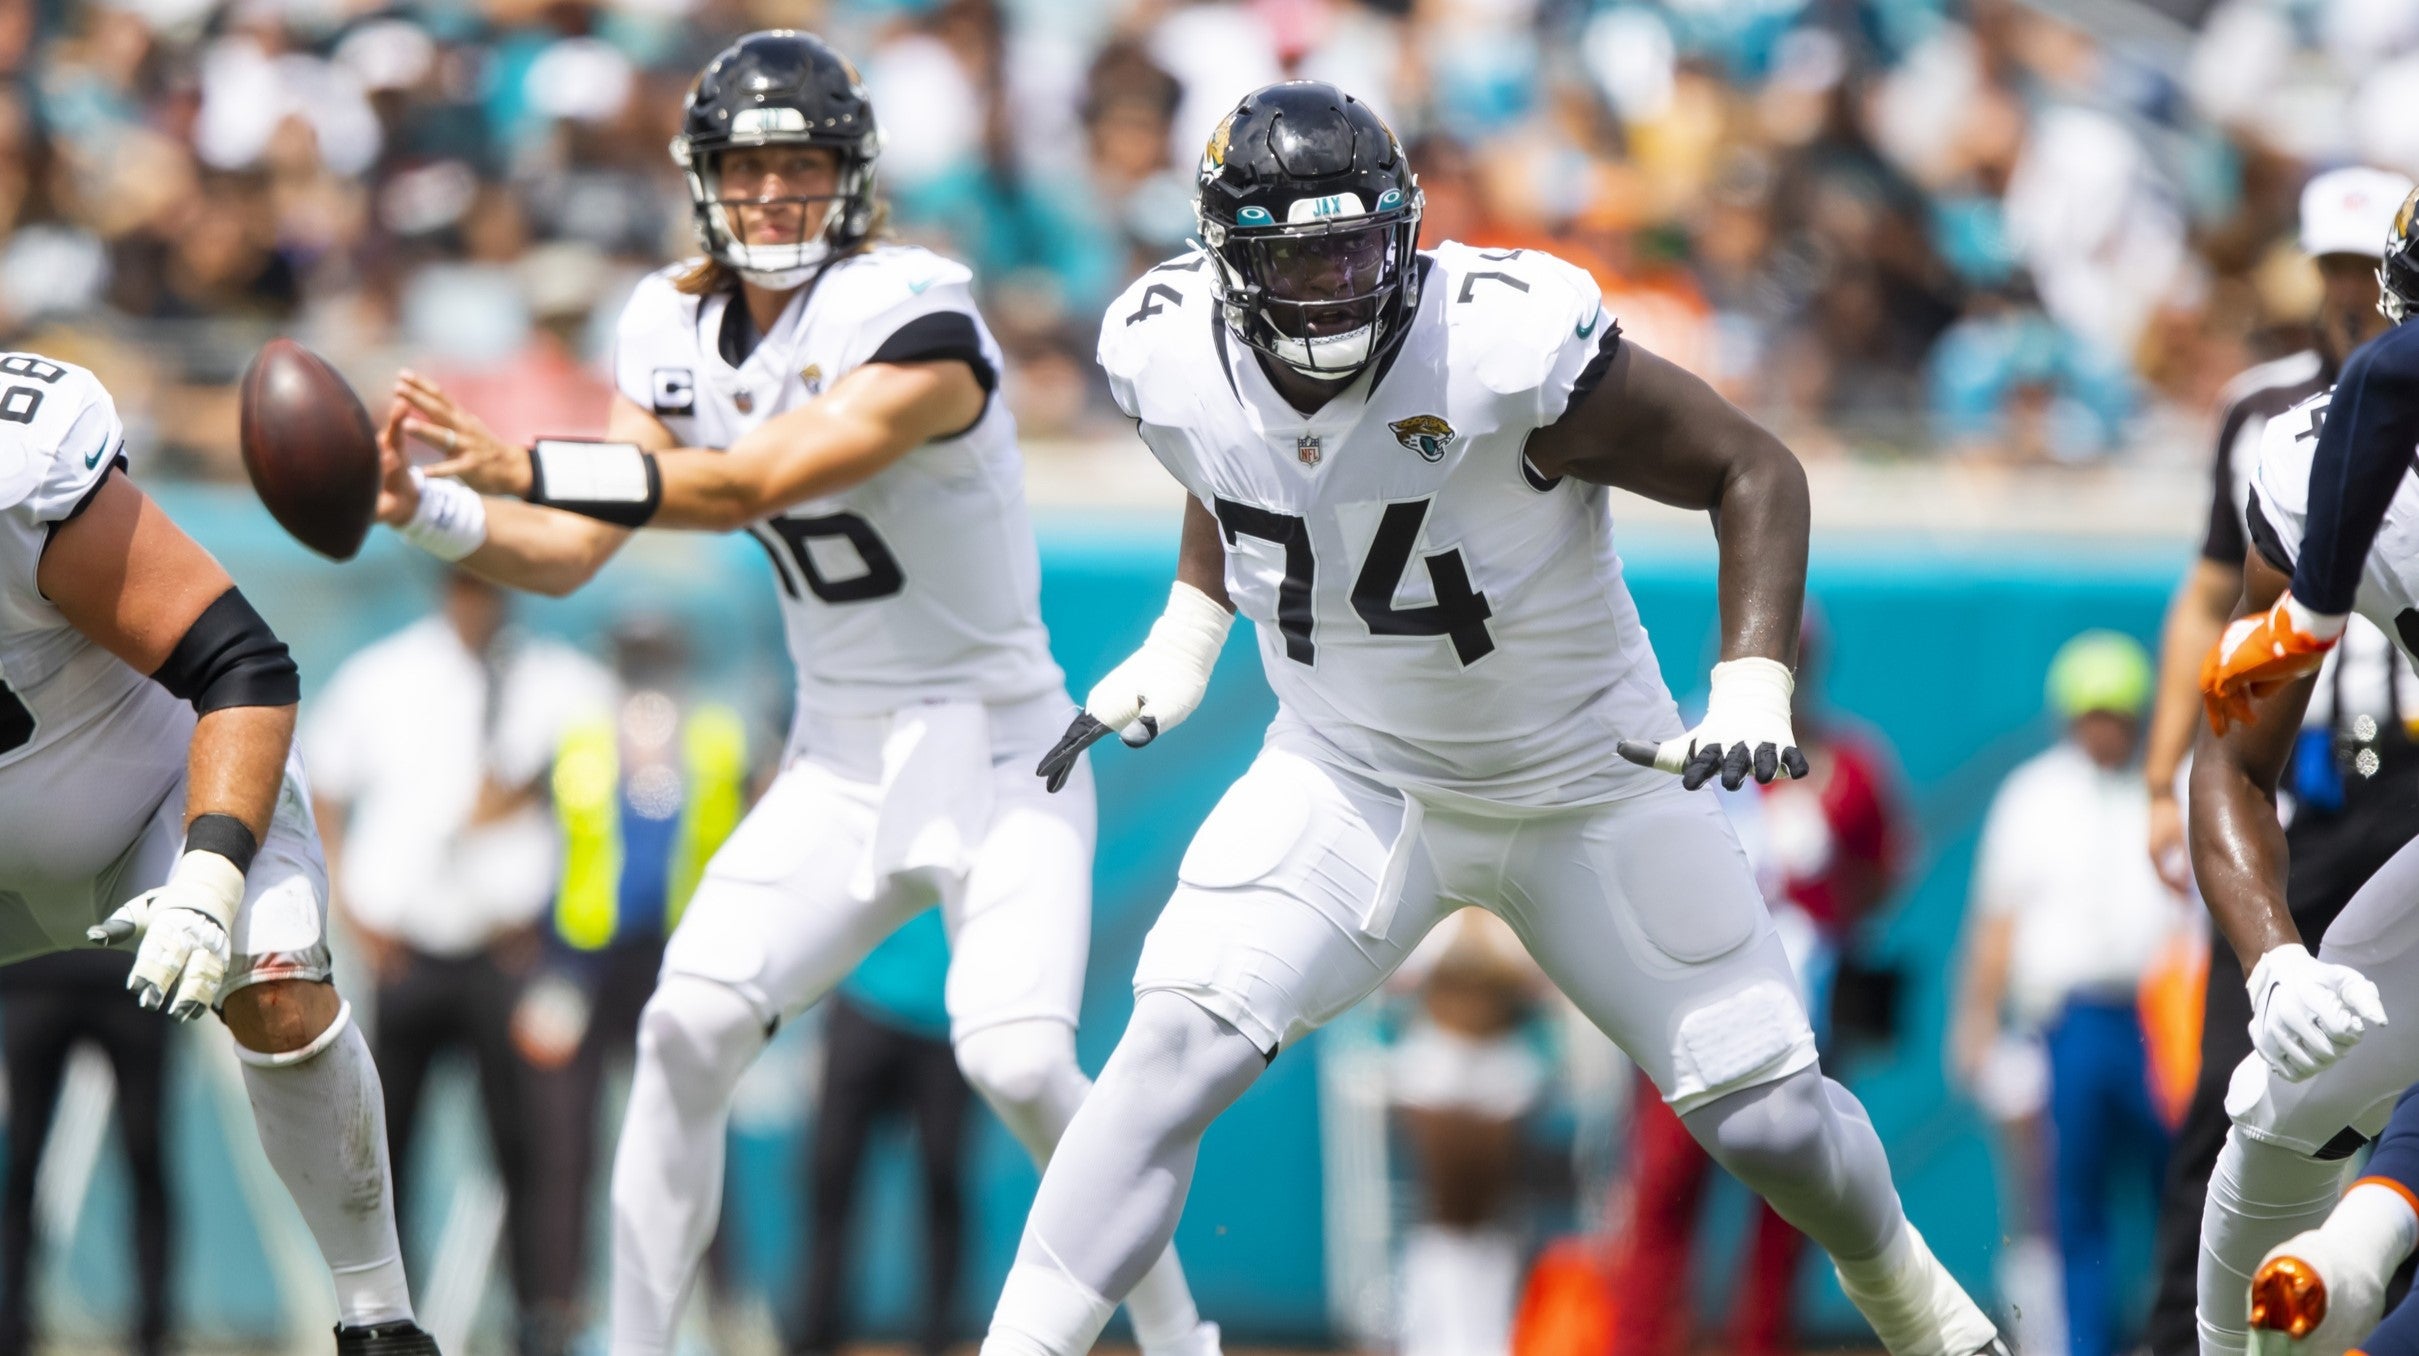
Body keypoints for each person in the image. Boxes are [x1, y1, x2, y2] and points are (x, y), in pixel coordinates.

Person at [976, 81, 2008, 1356]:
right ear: (1229, 265)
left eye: (1356, 249)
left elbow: (1752, 467)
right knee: (1168, 1053)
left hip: (1585, 780)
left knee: (1771, 1124)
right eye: (1296, 259)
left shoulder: (1498, 343)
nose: (1332, 287)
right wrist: (1189, 629)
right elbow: (1231, 463)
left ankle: (1919, 1308)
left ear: (1405, 232)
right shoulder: (1166, 346)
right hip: (1351, 774)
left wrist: (1751, 679)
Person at [365, 31, 1217, 1356]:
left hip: (998, 750)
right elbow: (572, 551)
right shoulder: (666, 324)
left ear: (851, 175)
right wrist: (428, 510)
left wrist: (524, 463)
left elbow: (746, 484)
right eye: (746, 166)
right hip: (836, 757)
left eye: (801, 164)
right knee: (683, 1028)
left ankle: (1176, 1334)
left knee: (1015, 1061)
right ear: (702, 177)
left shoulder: (918, 314)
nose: (771, 193)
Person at [0, 349, 435, 1353]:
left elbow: (245, 667)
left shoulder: (21, 473)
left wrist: (206, 876)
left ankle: (380, 1322)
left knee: (271, 975)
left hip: (154, 805)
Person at [2139, 164, 2419, 1356]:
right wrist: (2270, 963)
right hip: (2349, 788)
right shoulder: (2309, 464)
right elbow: (2233, 755)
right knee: (2268, 1102)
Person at [307, 568, 613, 1353]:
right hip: (404, 952)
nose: (478, 599)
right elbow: (321, 785)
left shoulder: (562, 682)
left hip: (509, 952)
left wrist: (533, 802)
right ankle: (385, 1321)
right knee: (381, 1148)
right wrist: (350, 911)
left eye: (490, 582)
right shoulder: (384, 676)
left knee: (528, 1145)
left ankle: (539, 1322)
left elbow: (608, 788)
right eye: (464, 584)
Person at [1604, 611, 1911, 1356]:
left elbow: (1882, 874)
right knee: (1664, 1194)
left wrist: (1820, 895)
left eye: (1796, 654)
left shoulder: (1850, 764)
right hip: (1690, 1007)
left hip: (1802, 1017)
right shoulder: (1684, 742)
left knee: (1792, 1211)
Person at [520, 614, 750, 1356]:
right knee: (567, 1145)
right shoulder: (579, 737)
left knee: (694, 1136)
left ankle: (717, 1315)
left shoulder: (718, 738)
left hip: (681, 957)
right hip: (584, 963)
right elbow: (534, 838)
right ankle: (560, 1314)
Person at [1951, 631, 2182, 1356]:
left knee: (2181, 1195)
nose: (2104, 729)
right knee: (2069, 1203)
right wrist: (1976, 1023)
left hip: (2160, 1019)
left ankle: (2179, 1339)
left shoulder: (2172, 788)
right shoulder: (2033, 795)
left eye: (2116, 714)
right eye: (2093, 714)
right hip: (2069, 1024)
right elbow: (1995, 922)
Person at [794, 909, 973, 1356]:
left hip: (950, 1018)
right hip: (863, 1005)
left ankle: (939, 1339)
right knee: (831, 1172)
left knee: (943, 1176)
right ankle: (815, 1333)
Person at [0, 949, 173, 1356]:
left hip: (131, 976)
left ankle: (154, 1332)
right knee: (21, 1160)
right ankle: (10, 1327)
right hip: (35, 976)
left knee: (144, 1154)